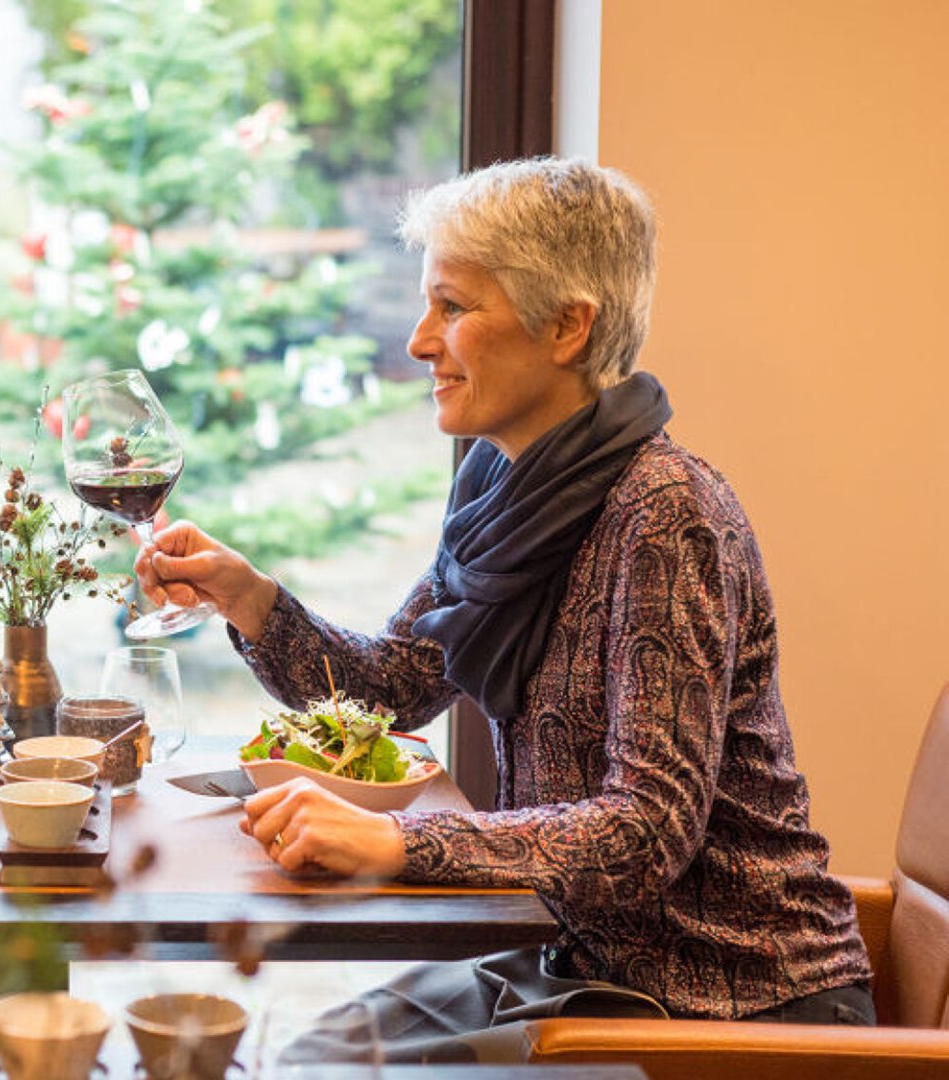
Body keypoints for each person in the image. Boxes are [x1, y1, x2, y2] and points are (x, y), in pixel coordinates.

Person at [137, 158, 873, 1057]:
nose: (417, 340)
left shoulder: (666, 514)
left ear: (568, 326)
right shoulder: (506, 490)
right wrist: (248, 599)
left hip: (726, 1010)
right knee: (312, 1053)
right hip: (585, 967)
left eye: (452, 307)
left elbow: (647, 830)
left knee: (324, 1067)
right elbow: (394, 688)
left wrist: (403, 844)